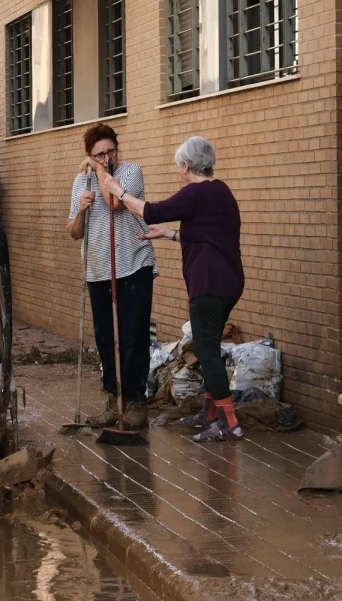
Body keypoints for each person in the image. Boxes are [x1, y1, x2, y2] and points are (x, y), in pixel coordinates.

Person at [102, 136, 245, 441]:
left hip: (208, 283)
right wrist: (169, 234)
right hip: (228, 282)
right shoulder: (221, 192)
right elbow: (209, 236)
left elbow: (150, 210)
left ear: (186, 165)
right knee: (209, 347)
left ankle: (228, 423)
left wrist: (120, 191)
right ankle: (209, 414)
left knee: (205, 350)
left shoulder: (195, 192)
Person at [67, 124, 156, 430]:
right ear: (89, 155)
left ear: (117, 150)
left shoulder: (130, 172)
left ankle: (134, 402)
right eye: (99, 154)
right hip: (98, 269)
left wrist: (98, 170)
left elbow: (115, 203)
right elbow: (74, 232)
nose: (106, 158)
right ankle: (112, 400)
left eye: (109, 152)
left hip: (133, 265)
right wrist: (80, 210)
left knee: (132, 334)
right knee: (106, 338)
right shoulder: (82, 181)